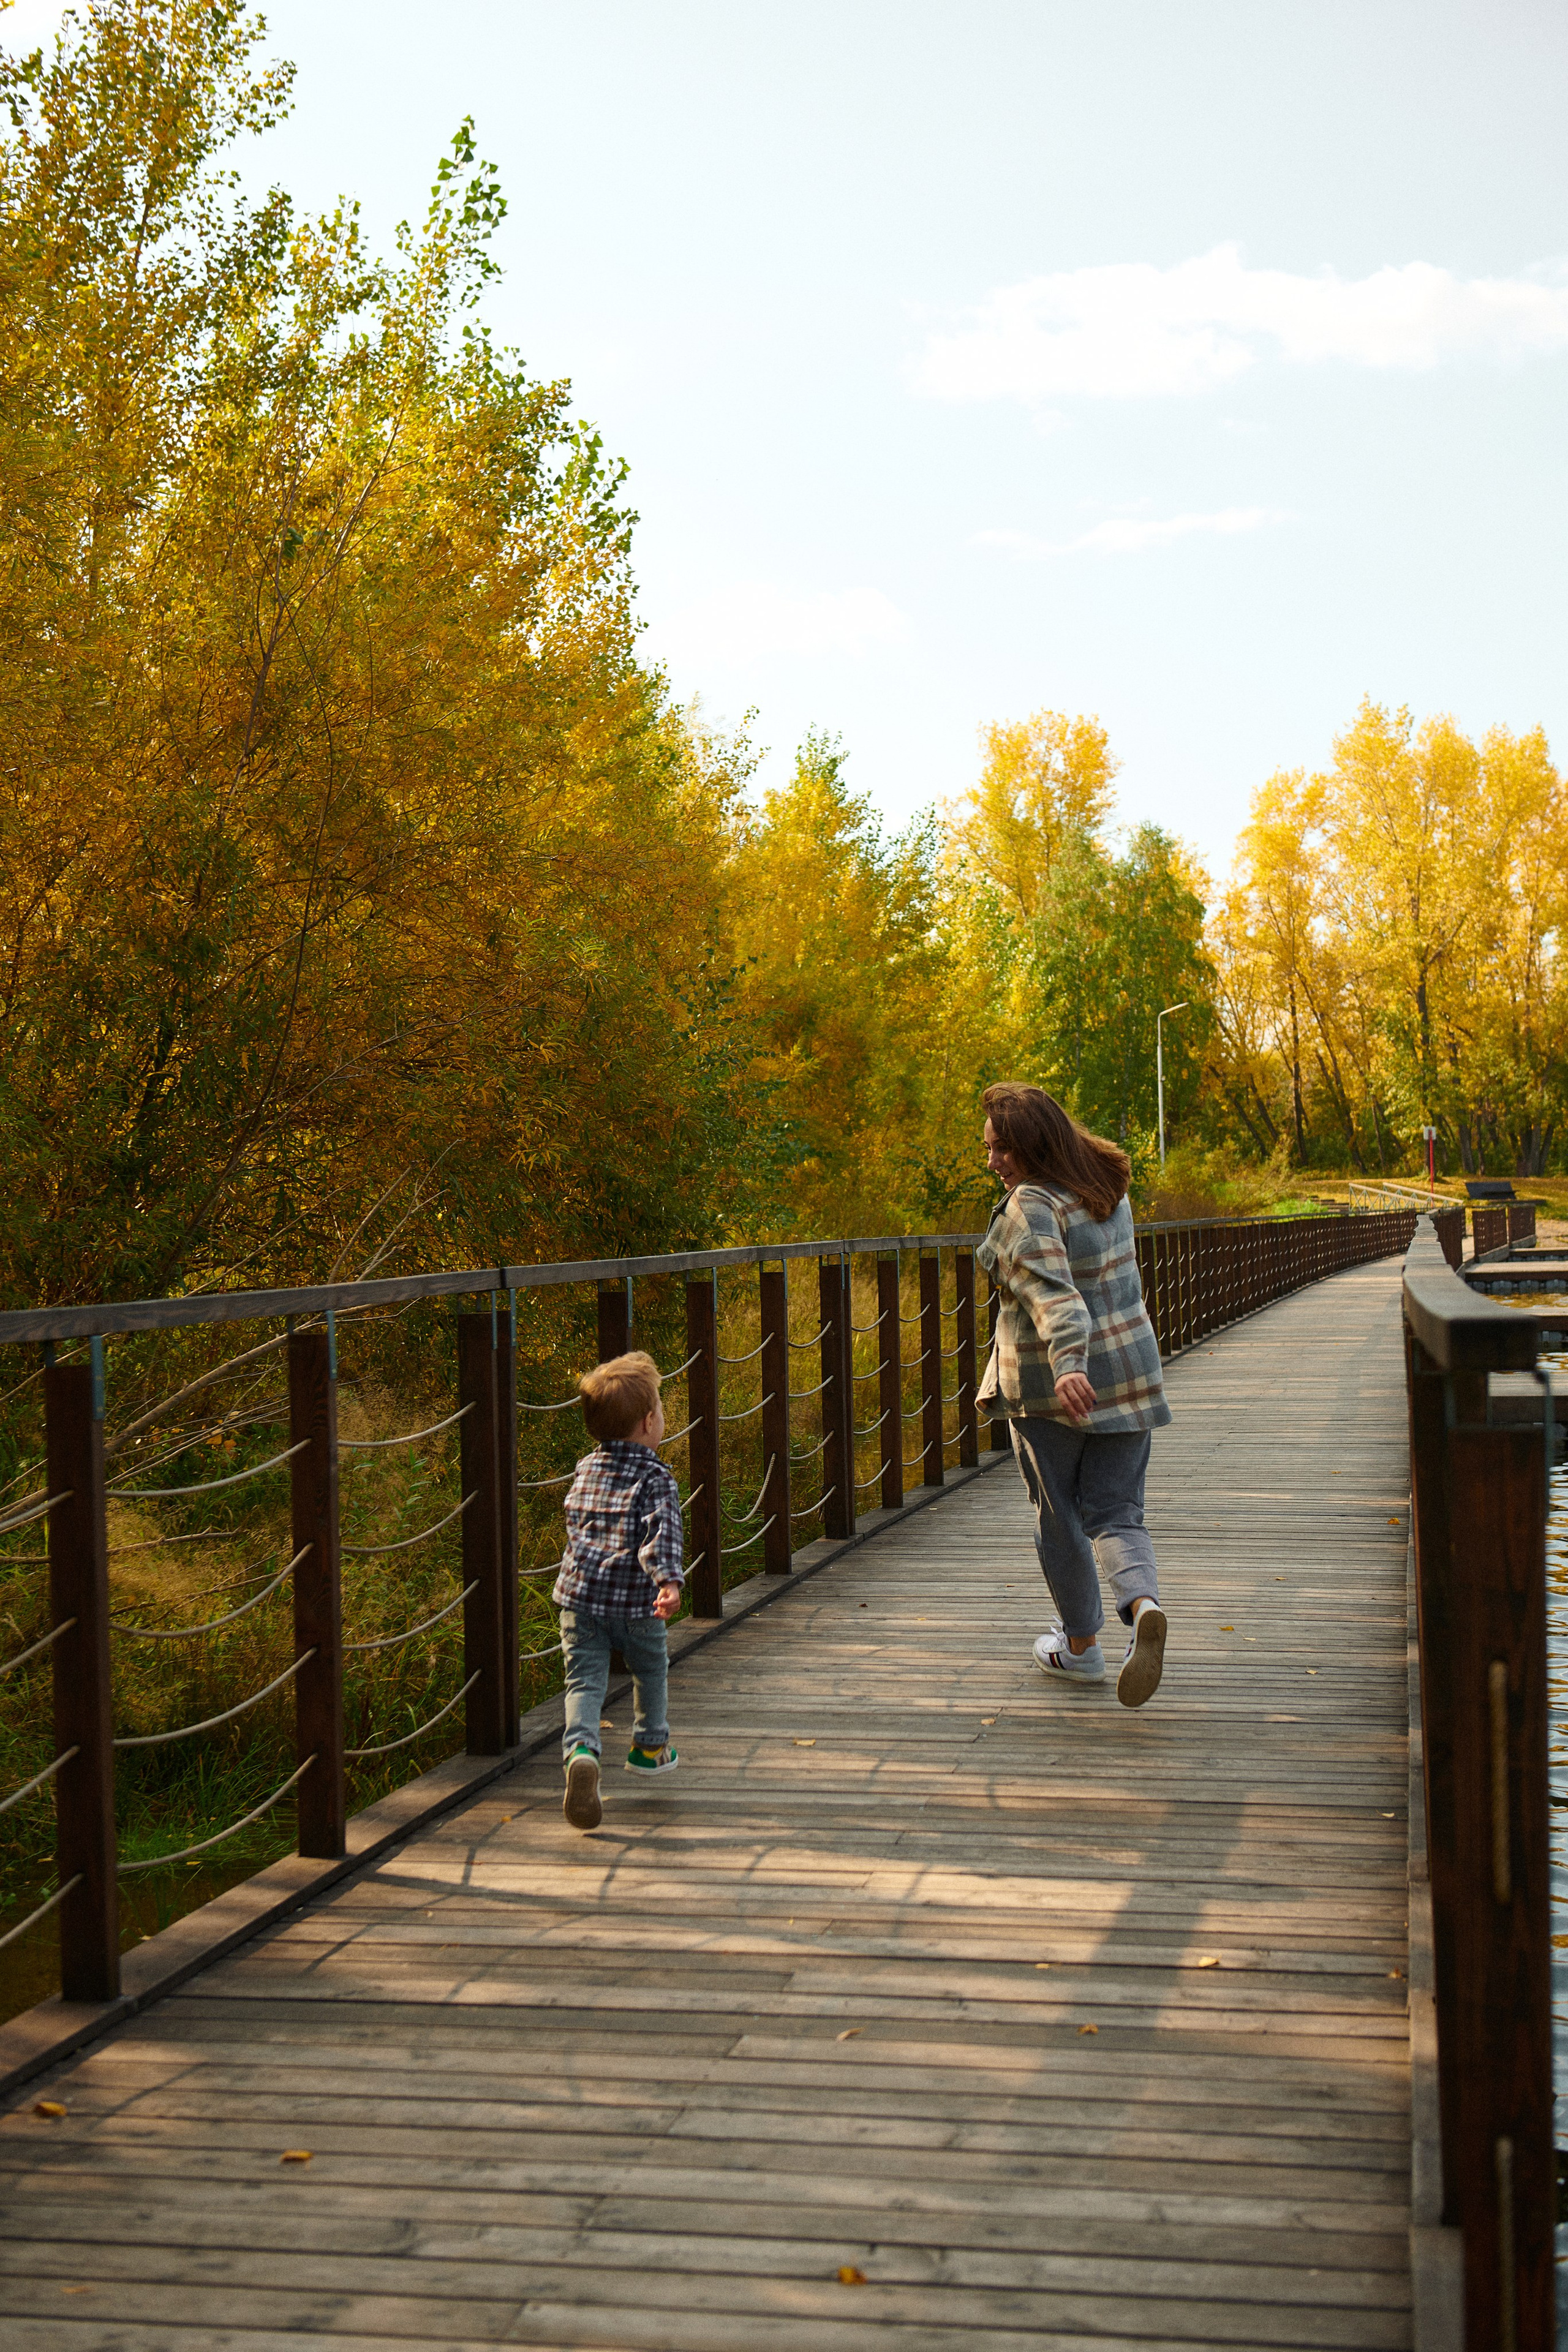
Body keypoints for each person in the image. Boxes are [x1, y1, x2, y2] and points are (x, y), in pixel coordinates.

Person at [976, 1081, 1170, 1708]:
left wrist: (1067, 1365)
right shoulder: (1106, 1188)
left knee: (1058, 1513)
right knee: (1117, 1513)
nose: (992, 1161)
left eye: (1003, 1148)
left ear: (1034, 1144)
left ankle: (1082, 1648)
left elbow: (1054, 1295)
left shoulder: (1030, 1205)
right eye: (989, 1148)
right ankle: (1142, 1605)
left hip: (1055, 1389)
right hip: (1131, 1374)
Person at [554, 1349, 685, 1830]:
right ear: (649, 1422)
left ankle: (581, 1751)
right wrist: (667, 1581)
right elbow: (661, 1534)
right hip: (636, 1602)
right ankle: (650, 1746)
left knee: (584, 1682)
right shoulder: (655, 1476)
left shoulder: (585, 1469)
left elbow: (576, 1523)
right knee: (649, 1668)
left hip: (580, 1600)